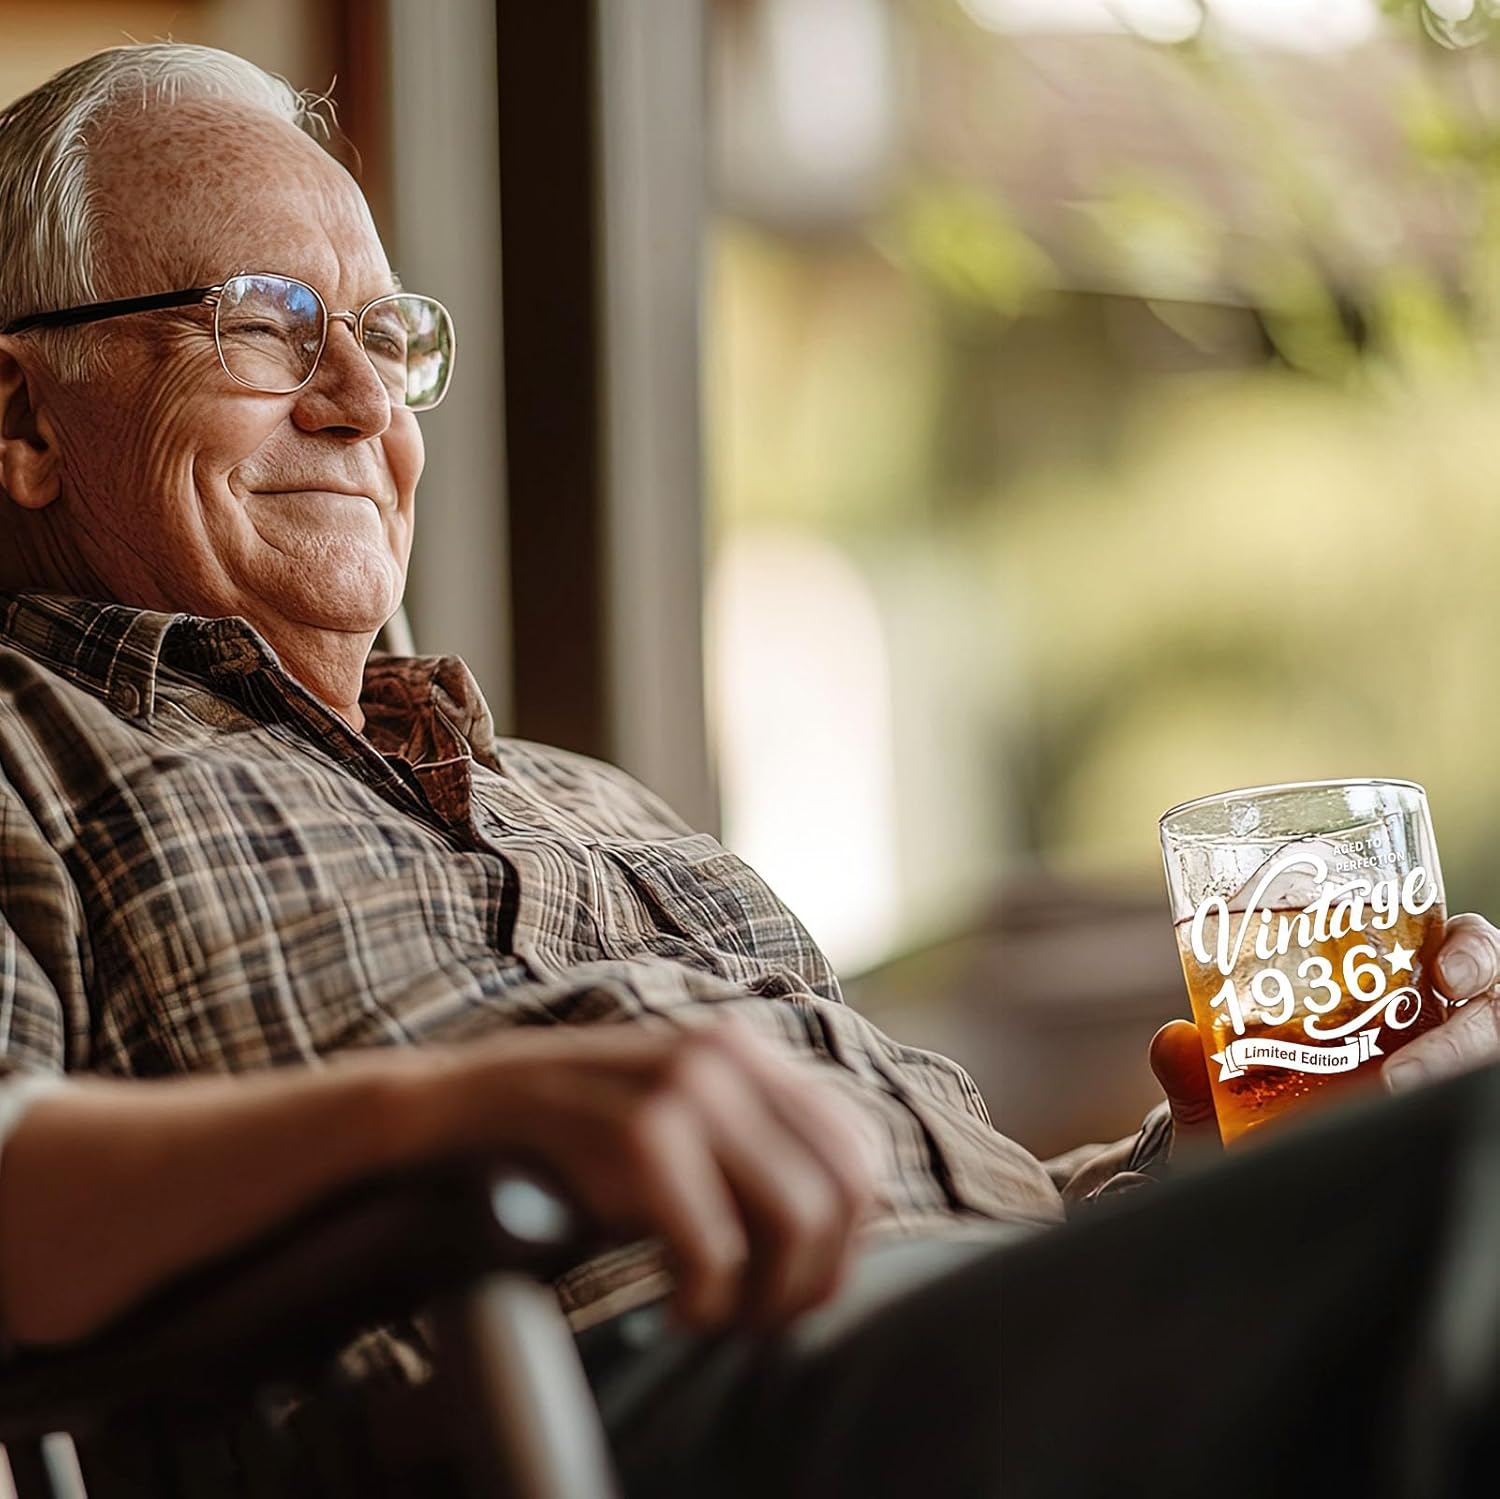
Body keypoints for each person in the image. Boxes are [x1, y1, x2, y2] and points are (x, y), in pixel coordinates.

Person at [1, 42, 1498, 1499]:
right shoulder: (31, 742)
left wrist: (1226, 1172)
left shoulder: (581, 796)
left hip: (974, 1355)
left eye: (388, 338)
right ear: (24, 421)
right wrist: (455, 1117)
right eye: (262, 321)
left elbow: (958, 1240)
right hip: (618, 1411)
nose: (361, 399)